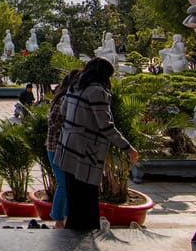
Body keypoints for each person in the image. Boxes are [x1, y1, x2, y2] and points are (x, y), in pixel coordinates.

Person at [54, 58, 139, 231]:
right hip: (86, 152)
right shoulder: (97, 91)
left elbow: (62, 112)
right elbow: (106, 126)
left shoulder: (74, 86)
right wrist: (128, 148)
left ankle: (73, 230)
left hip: (67, 147)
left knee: (74, 195)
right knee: (87, 196)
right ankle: (85, 233)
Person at [47, 69, 80, 229]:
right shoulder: (63, 99)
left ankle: (66, 218)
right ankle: (59, 219)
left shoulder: (70, 98)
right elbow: (53, 122)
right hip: (57, 147)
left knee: (68, 183)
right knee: (63, 184)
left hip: (67, 147)